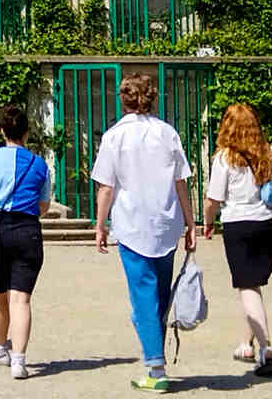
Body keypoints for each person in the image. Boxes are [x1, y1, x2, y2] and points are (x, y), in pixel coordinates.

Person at [92, 75, 197, 393]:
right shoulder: (168, 133)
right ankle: (155, 358)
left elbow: (106, 187)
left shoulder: (114, 137)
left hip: (132, 224)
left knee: (143, 299)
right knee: (160, 297)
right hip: (166, 224)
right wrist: (191, 223)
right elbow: (181, 182)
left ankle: (156, 367)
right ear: (152, 98)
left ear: (123, 99)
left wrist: (100, 225)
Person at [202, 104, 272, 378]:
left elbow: (213, 200)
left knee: (248, 287)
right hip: (271, 225)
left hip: (240, 225)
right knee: (253, 287)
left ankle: (265, 348)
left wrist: (207, 222)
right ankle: (246, 344)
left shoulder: (224, 158)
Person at [0, 106, 53, 380]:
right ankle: (19, 360)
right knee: (21, 299)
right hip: (28, 230)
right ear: (27, 133)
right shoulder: (39, 164)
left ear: (2, 131)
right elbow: (43, 206)